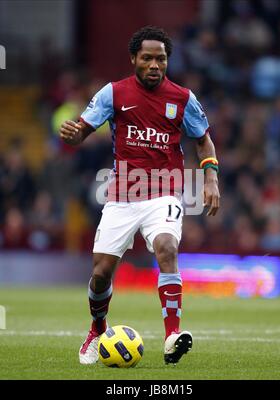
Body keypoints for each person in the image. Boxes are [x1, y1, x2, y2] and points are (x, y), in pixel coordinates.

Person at [59, 26, 220, 365]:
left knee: (167, 247)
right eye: (147, 58)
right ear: (134, 58)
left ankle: (172, 335)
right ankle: (97, 328)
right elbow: (82, 131)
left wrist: (211, 179)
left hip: (165, 191)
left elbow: (203, 139)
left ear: (167, 62)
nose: (154, 65)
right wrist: (73, 136)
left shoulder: (183, 99)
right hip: (122, 193)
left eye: (160, 59)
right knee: (101, 272)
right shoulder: (113, 93)